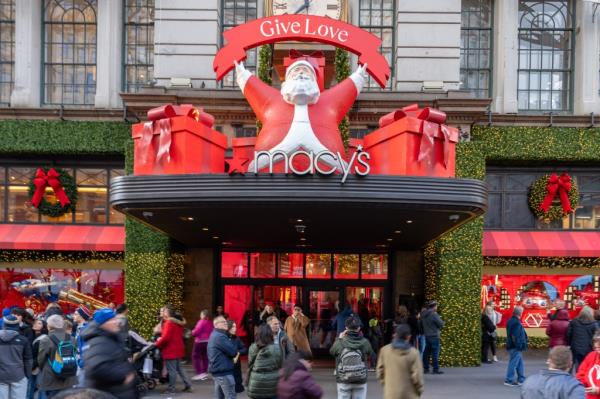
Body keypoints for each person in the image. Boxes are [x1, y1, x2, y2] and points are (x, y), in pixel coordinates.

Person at [81, 308, 137, 399]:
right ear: (104, 323)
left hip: (117, 392)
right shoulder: (98, 341)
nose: (117, 322)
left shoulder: (110, 338)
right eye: (112, 320)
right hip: (109, 393)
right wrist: (124, 376)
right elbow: (97, 368)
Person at [330, 315, 374, 399]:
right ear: (359, 328)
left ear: (346, 327)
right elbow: (372, 354)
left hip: (343, 379)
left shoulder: (340, 342)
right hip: (360, 379)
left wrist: (339, 338)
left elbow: (332, 352)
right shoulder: (365, 342)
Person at [376, 324, 424, 399]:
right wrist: (419, 390)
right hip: (410, 394)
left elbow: (380, 372)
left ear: (395, 335)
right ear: (408, 337)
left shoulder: (384, 351)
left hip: (391, 393)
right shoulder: (414, 353)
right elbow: (417, 376)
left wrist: (387, 385)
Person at [154, 305, 192, 394]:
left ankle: (171, 389)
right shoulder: (178, 322)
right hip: (178, 348)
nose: (162, 312)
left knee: (172, 371)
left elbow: (166, 338)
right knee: (180, 369)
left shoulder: (169, 323)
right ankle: (188, 385)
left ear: (168, 313)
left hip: (170, 349)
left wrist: (157, 343)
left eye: (164, 311)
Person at [0, 314, 32, 399]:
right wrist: (27, 375)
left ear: (4, 325)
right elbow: (28, 360)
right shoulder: (23, 340)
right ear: (17, 325)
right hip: (19, 375)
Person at [247, 324, 282, 399]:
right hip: (272, 384)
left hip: (255, 383)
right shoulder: (276, 349)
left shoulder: (252, 348)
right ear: (270, 334)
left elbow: (250, 364)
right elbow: (280, 364)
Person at [208, 315, 239, 399]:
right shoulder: (220, 336)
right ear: (216, 324)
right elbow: (233, 352)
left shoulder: (215, 334)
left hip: (218, 371)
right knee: (231, 396)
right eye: (223, 322)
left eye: (226, 321)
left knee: (219, 397)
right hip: (224, 372)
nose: (226, 323)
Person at [568, 306, 597, 372]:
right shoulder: (594, 324)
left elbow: (569, 334)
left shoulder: (574, 322)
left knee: (576, 364)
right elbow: (596, 337)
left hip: (575, 347)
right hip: (588, 348)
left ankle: (576, 378)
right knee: (587, 365)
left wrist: (570, 343)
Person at [504, 305, 528, 387]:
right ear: (520, 313)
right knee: (513, 363)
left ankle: (521, 379)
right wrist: (519, 346)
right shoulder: (516, 322)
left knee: (519, 363)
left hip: (512, 345)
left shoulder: (511, 321)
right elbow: (515, 336)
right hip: (515, 347)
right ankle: (509, 380)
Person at [420, 300, 444, 374]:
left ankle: (426, 368)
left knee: (426, 353)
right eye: (436, 306)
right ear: (434, 307)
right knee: (434, 353)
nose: (436, 307)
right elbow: (441, 324)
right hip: (434, 336)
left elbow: (421, 324)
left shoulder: (423, 314)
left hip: (427, 335)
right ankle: (435, 369)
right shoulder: (434, 314)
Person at [191, 309, 214, 381]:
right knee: (205, 357)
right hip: (208, 342)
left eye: (201, 314)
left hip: (199, 341)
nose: (200, 316)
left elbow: (196, 332)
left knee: (195, 356)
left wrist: (192, 332)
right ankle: (204, 372)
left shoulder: (201, 322)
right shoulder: (210, 323)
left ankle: (199, 373)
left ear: (203, 315)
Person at [29, 318, 48, 399]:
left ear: (43, 327)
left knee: (40, 387)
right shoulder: (32, 336)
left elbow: (41, 355)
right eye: (35, 322)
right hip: (33, 365)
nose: (36, 324)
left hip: (40, 367)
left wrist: (33, 364)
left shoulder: (43, 338)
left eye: (39, 323)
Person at [73, 306, 91, 387]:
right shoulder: (79, 328)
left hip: (82, 365)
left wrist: (81, 363)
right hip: (79, 362)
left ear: (81, 316)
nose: (74, 316)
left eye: (76, 314)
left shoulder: (85, 329)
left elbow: (86, 348)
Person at [227, 320, 247, 394]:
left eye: (235, 327)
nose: (235, 329)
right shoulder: (224, 338)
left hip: (236, 364)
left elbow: (244, 349)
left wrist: (238, 352)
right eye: (233, 327)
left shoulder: (236, 338)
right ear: (229, 328)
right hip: (227, 364)